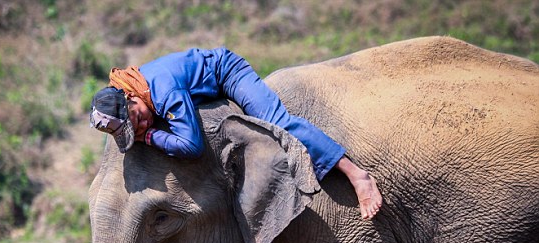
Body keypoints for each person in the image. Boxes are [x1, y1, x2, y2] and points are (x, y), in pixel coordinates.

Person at [90, 47, 382, 219]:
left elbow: (191, 146)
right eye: (133, 129)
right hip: (202, 95)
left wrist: (151, 137)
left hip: (225, 72)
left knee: (277, 122)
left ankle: (356, 174)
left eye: (137, 119)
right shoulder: (135, 92)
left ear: (130, 97)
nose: (140, 127)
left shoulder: (164, 91)